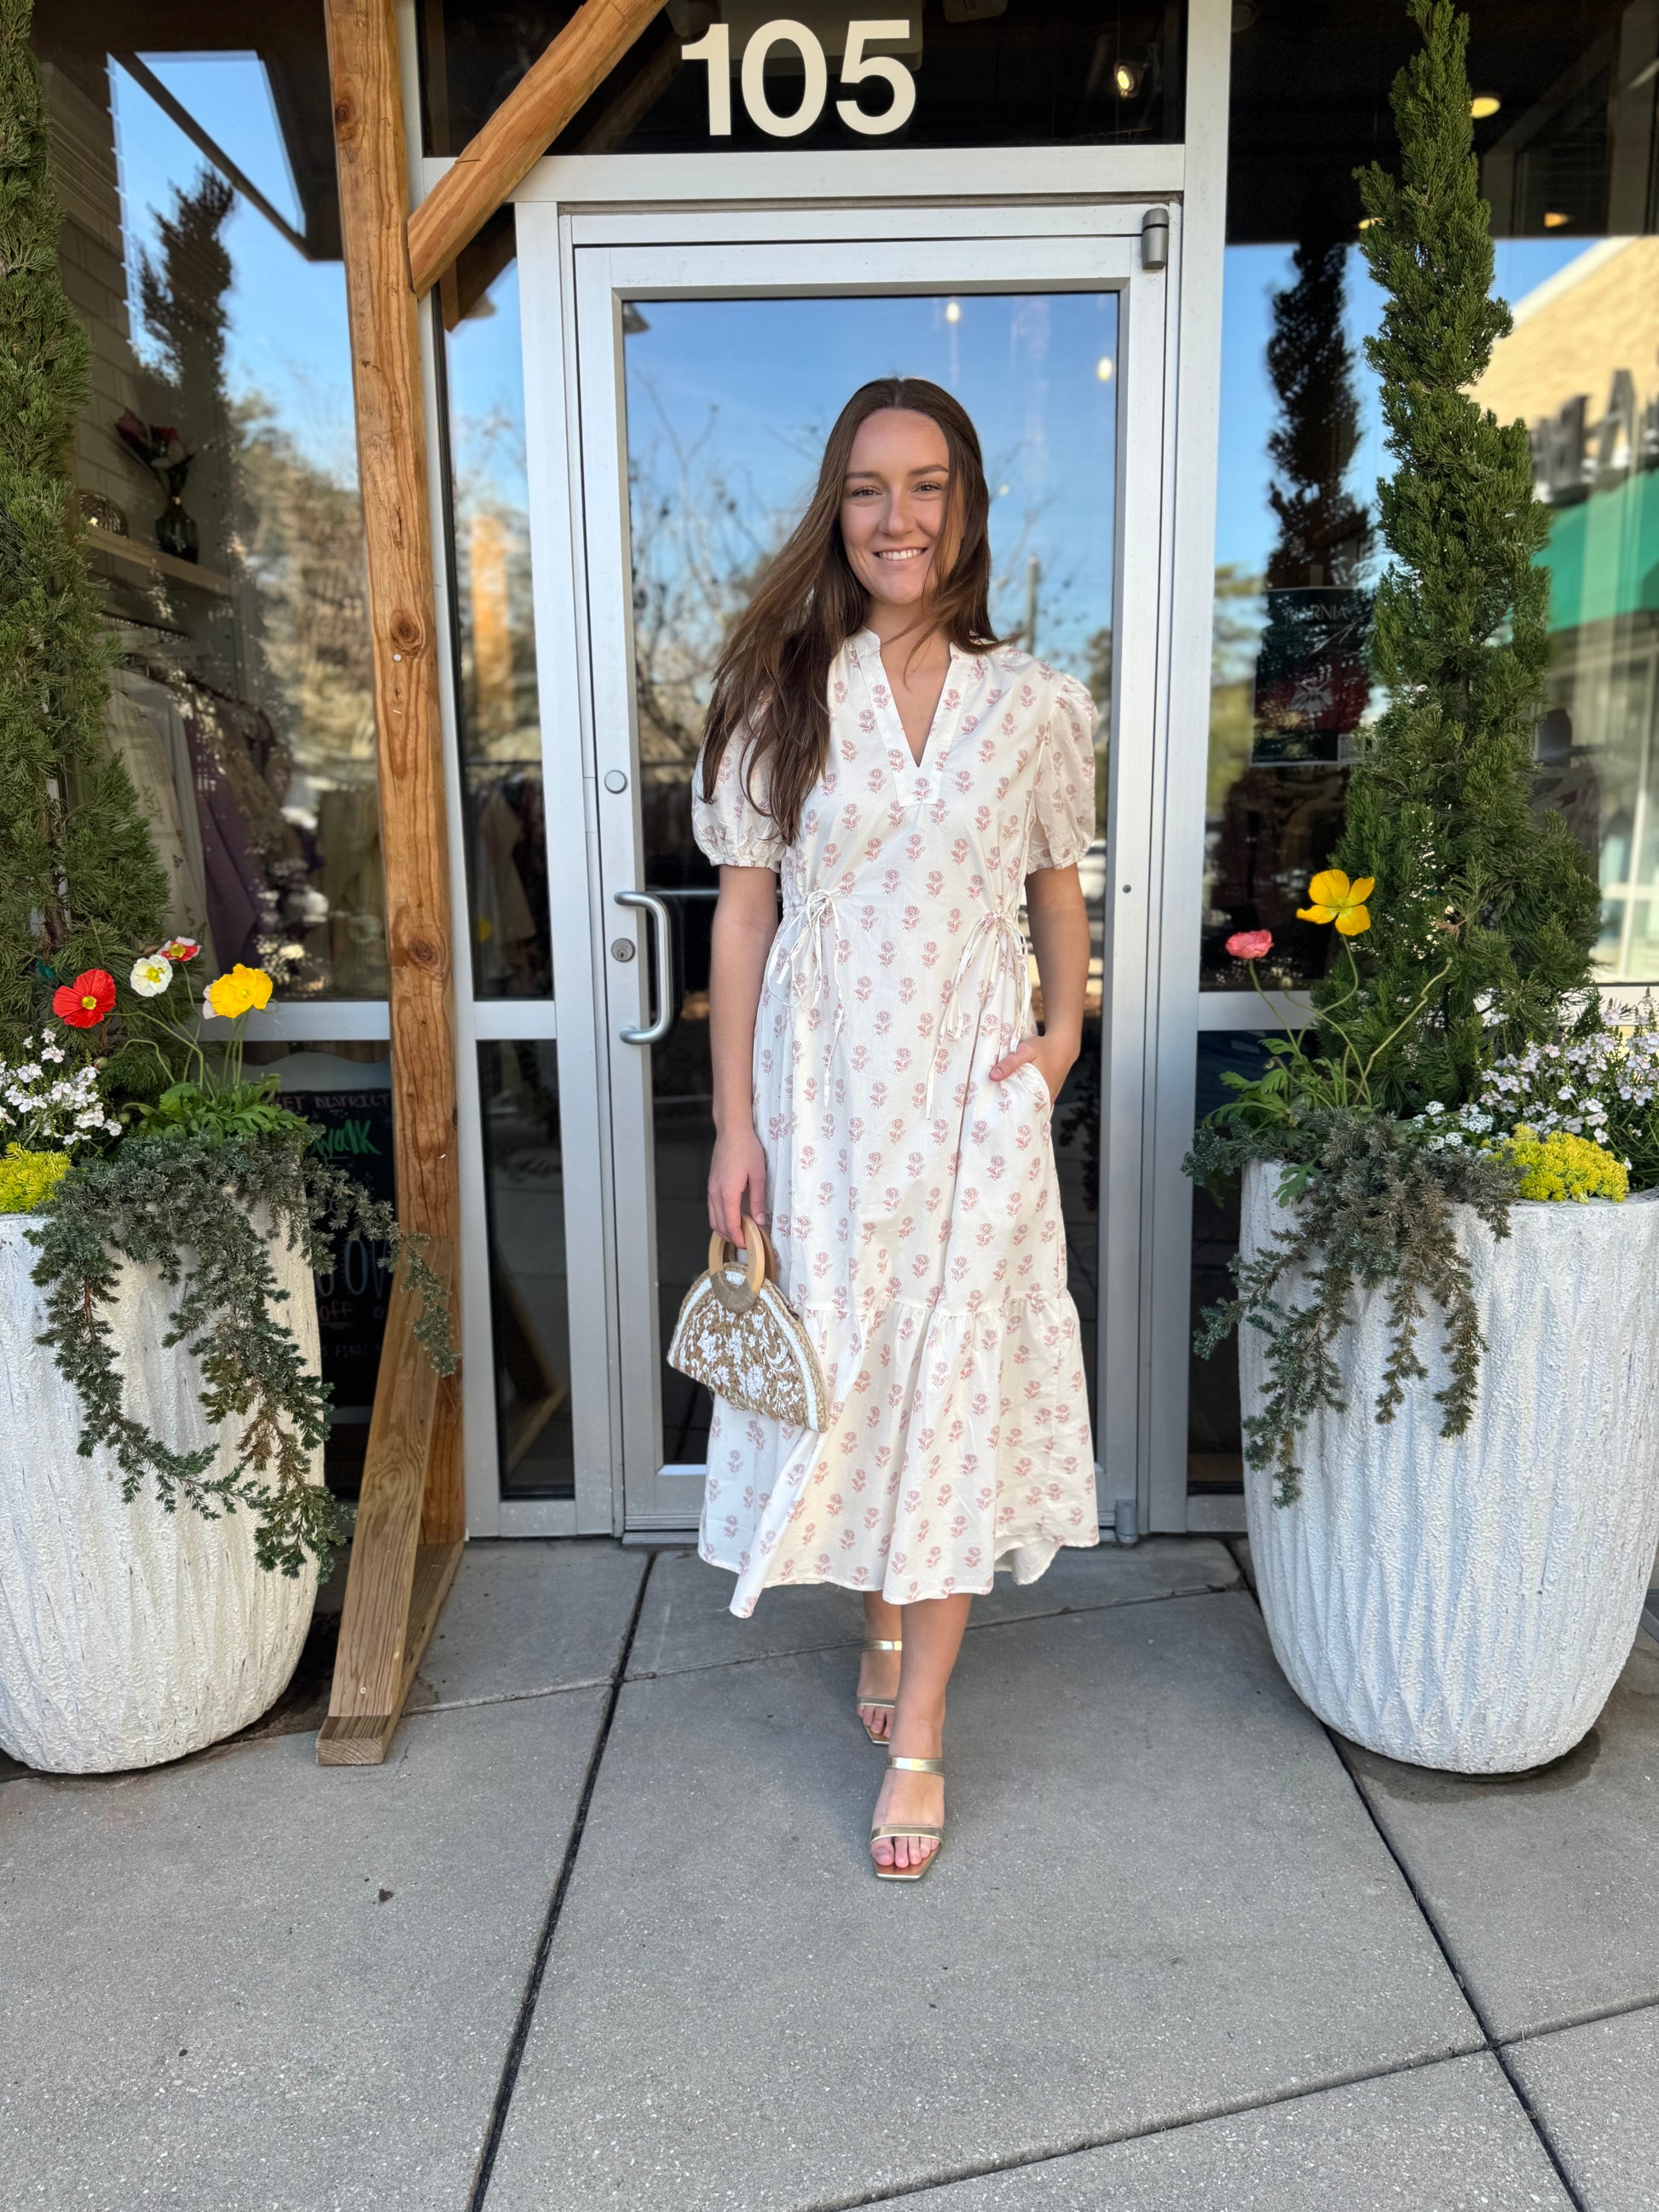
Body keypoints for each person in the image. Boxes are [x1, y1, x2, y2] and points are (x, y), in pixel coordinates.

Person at [692, 376, 1099, 1880]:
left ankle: (920, 1726)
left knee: (953, 1378)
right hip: (824, 1105)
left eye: (926, 485)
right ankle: (875, 1611)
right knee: (858, 1372)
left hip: (975, 1100)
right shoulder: (780, 692)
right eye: (868, 488)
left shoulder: (1036, 703)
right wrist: (734, 1125)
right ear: (837, 510)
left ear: (966, 507)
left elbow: (1057, 889)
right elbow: (743, 916)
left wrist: (1060, 1041)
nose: (897, 517)